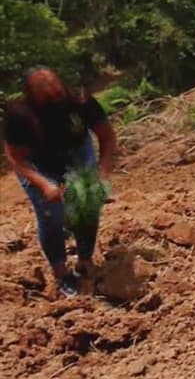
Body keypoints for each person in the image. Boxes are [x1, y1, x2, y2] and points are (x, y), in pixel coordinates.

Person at [3, 68, 117, 297]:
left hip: (76, 150)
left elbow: (106, 135)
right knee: (50, 211)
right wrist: (45, 184)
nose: (55, 96)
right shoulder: (20, 115)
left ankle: (84, 259)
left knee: (88, 204)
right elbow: (15, 158)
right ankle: (61, 272)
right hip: (38, 162)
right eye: (47, 95)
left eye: (57, 90)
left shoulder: (80, 100)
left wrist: (103, 169)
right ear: (31, 95)